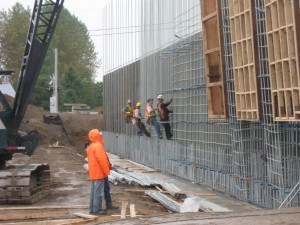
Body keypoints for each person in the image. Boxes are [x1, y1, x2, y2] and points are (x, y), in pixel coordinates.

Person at [86, 129, 110, 215]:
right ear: (97, 136)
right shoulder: (98, 146)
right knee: (99, 192)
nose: (101, 136)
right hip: (99, 173)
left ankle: (92, 209)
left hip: (93, 173)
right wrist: (106, 171)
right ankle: (97, 210)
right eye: (100, 135)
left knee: (94, 192)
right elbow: (102, 161)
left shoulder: (91, 146)